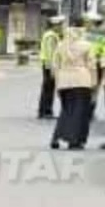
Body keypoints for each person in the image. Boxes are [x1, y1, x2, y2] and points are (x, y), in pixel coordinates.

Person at [49, 17, 96, 151]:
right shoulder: (87, 45)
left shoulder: (61, 45)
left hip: (64, 81)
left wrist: (57, 82)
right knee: (80, 112)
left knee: (66, 110)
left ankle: (56, 137)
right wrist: (94, 83)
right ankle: (74, 141)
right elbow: (92, 66)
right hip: (82, 80)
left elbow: (54, 66)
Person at [37, 15, 63, 119]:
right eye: (60, 25)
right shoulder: (51, 36)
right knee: (48, 88)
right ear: (55, 25)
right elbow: (50, 53)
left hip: (47, 65)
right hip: (49, 66)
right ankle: (46, 111)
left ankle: (44, 110)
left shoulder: (51, 34)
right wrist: (52, 68)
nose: (61, 27)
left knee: (48, 88)